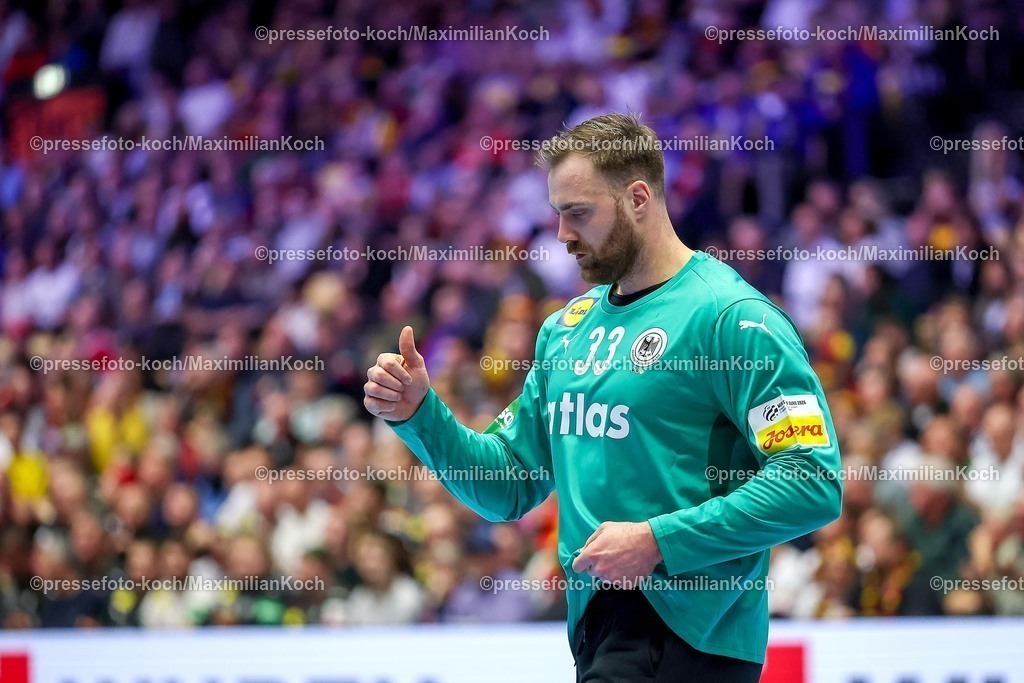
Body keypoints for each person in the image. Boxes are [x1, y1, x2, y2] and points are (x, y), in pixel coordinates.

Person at [363, 113, 842, 682]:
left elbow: (810, 480)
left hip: (690, 636)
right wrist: (421, 414)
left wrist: (659, 541)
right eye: (558, 213)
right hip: (599, 630)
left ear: (638, 198)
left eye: (578, 213)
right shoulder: (566, 329)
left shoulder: (731, 319)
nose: (563, 233)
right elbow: (509, 487)